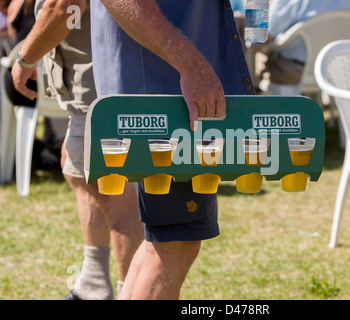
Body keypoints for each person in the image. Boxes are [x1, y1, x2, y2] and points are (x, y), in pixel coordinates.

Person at [90, 0, 254, 299]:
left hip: (167, 96)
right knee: (176, 242)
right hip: (165, 98)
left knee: (165, 239)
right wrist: (192, 66)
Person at [11, 0, 143, 300]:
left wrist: (25, 58)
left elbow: (63, 6)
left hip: (103, 94)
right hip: (94, 92)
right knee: (77, 172)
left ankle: (131, 294)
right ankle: (93, 286)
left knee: (116, 198)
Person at [260, 0, 350, 87]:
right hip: (337, 68)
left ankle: (253, 103)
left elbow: (264, 35)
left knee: (257, 57)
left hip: (297, 69)